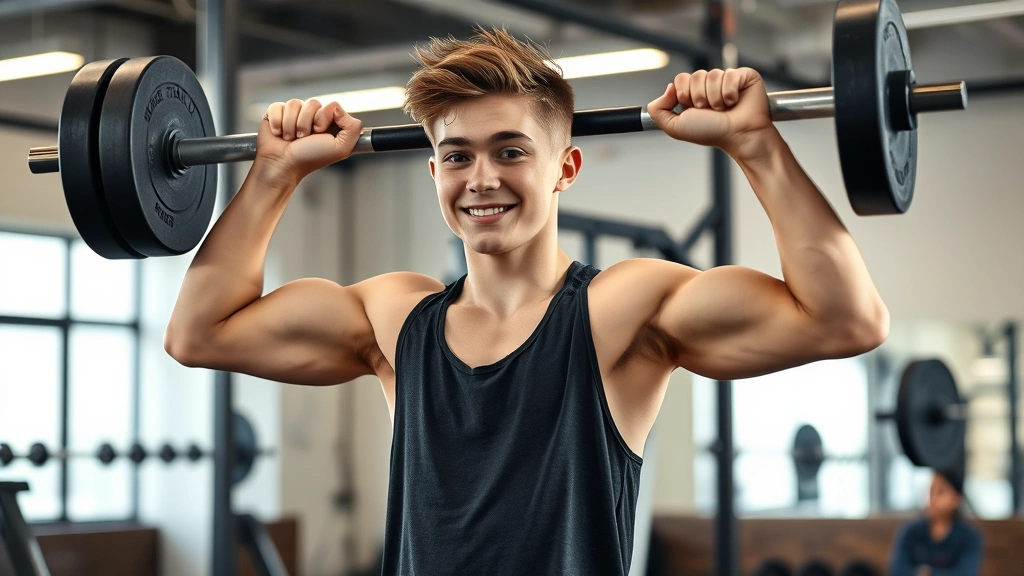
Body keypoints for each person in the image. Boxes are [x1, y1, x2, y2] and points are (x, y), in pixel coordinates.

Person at [164, 28, 889, 575]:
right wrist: (273, 176)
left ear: (564, 167)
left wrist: (756, 146)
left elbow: (847, 320)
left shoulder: (618, 311)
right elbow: (198, 333)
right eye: (457, 156)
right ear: (434, 171)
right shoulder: (396, 319)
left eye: (511, 151)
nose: (481, 179)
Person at [889, 468, 984, 576]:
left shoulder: (969, 537)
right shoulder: (910, 532)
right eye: (930, 492)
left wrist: (928, 573)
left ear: (956, 499)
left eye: (940, 492)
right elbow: (896, 571)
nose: (932, 499)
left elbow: (965, 573)